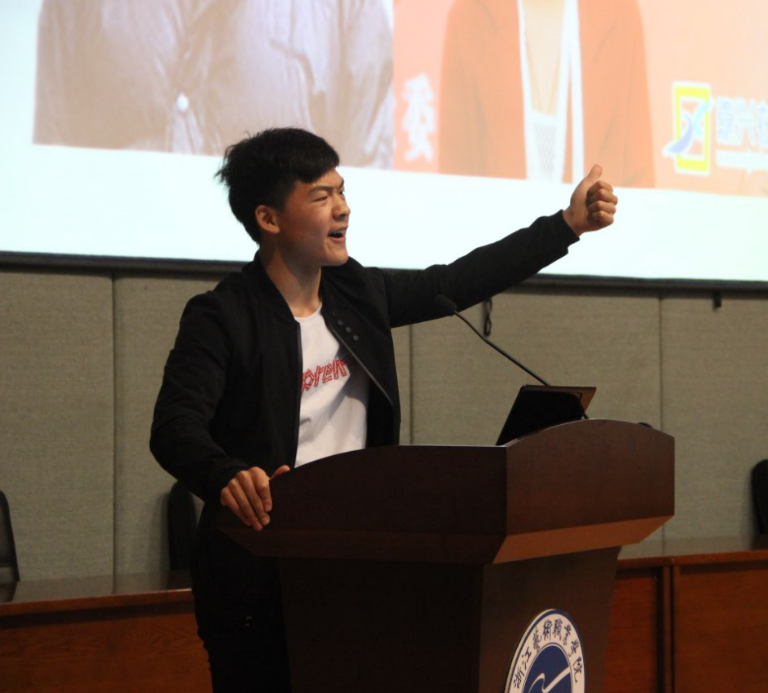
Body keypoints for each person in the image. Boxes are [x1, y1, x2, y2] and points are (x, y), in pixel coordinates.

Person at [150, 127, 617, 691]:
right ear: (269, 218)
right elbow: (174, 427)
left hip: (361, 558)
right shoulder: (222, 316)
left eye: (342, 191)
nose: (343, 208)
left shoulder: (356, 296)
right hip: (262, 575)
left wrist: (566, 226)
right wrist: (224, 473)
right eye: (321, 196)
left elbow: (457, 280)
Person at [34, 0, 393, 167]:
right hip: (110, 267)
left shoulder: (346, 11)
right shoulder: (78, 7)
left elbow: (366, 189)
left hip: (277, 288)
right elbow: (50, 164)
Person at [439, 0, 654, 187]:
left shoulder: (618, 14)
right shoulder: (470, 16)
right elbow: (454, 185)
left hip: (600, 223)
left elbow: (639, 180)